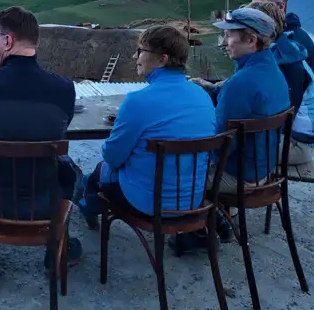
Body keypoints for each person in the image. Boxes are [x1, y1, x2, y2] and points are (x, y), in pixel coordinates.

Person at [0, 6, 83, 280]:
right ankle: (56, 249)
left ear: (8, 41)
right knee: (70, 167)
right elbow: (60, 129)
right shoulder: (64, 88)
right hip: (44, 203)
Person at [174, 8, 291, 255]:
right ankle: (217, 220)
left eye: (229, 36)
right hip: (265, 168)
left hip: (241, 176)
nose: (224, 42)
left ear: (251, 39)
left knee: (172, 169)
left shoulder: (241, 83)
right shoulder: (273, 72)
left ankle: (198, 232)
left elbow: (219, 144)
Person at [77, 25, 216, 227]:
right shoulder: (202, 96)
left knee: (99, 172)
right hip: (192, 200)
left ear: (163, 59)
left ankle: (89, 206)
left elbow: (112, 157)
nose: (135, 56)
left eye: (141, 51)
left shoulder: (137, 101)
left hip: (148, 203)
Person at [248, 1, 314, 167]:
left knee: (230, 149)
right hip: (288, 136)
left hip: (297, 143)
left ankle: (248, 189)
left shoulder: (289, 64)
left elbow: (285, 116)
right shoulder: (281, 50)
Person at [252, 0, 314, 84]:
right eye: (253, 7)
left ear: (280, 6)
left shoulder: (292, 41)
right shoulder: (273, 34)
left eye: (260, 6)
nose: (253, 12)